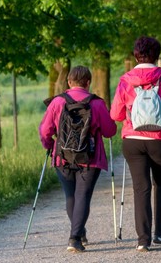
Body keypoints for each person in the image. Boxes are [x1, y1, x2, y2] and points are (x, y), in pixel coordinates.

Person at [110, 36, 161, 252]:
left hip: (133, 141)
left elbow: (115, 113)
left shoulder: (125, 80)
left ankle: (143, 239)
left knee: (140, 188)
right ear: (157, 55)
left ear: (136, 55)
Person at [39, 66, 117, 253]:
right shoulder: (97, 103)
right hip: (90, 159)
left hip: (63, 157)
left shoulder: (57, 102)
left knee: (71, 195)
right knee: (83, 196)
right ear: (88, 82)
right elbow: (109, 131)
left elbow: (44, 131)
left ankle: (78, 231)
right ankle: (75, 238)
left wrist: (49, 145)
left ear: (68, 82)